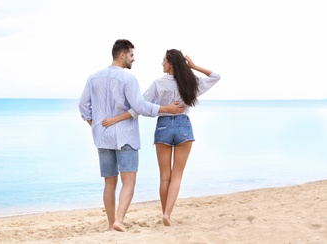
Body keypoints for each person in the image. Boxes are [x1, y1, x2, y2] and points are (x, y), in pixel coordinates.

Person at [102, 49, 221, 226]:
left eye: (164, 61)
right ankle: (167, 214)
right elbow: (215, 76)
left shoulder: (158, 84)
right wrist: (194, 66)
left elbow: (138, 108)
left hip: (163, 126)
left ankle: (165, 214)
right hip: (183, 126)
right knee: (177, 176)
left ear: (171, 64)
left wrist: (115, 119)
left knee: (165, 176)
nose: (162, 63)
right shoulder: (190, 82)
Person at [78, 40, 185, 232]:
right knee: (129, 181)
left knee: (109, 182)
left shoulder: (93, 78)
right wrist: (166, 108)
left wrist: (94, 126)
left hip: (103, 137)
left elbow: (83, 106)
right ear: (122, 55)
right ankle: (119, 219)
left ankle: (111, 225)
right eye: (131, 55)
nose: (133, 59)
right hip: (125, 136)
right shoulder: (128, 79)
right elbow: (140, 106)